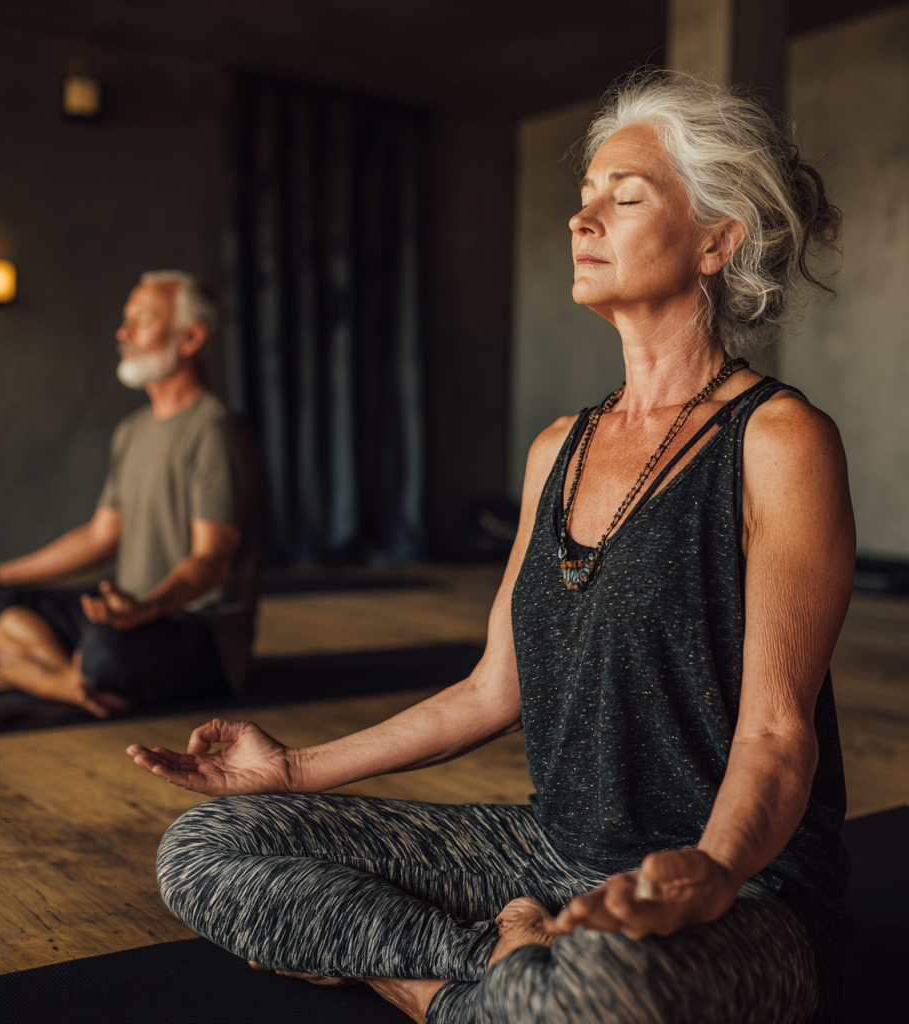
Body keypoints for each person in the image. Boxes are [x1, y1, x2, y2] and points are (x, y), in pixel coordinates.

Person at [127, 73, 853, 1024]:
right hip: (549, 853)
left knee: (605, 992)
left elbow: (776, 734)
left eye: (626, 197)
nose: (582, 218)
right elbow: (491, 690)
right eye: (584, 195)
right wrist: (294, 770)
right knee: (206, 847)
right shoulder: (557, 450)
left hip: (740, 887)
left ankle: (435, 984)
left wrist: (710, 872)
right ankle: (490, 960)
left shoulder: (779, 442)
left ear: (717, 241)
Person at [0, 271, 259, 717]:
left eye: (143, 319)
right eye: (125, 319)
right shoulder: (132, 431)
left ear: (192, 338)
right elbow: (101, 536)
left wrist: (146, 608)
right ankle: (73, 682)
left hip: (197, 630)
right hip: (126, 613)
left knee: (106, 649)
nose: (124, 332)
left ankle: (57, 673)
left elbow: (213, 559)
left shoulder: (214, 429)